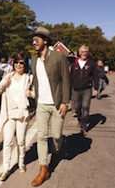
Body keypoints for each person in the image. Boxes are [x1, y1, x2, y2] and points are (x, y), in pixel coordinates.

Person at [30, 27, 70, 187]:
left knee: (57, 135)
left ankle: (55, 153)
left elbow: (66, 80)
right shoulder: (33, 59)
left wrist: (66, 102)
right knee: (41, 136)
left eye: (37, 39)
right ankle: (43, 169)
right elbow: (35, 80)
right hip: (41, 104)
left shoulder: (59, 57)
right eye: (33, 40)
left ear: (45, 41)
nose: (34, 42)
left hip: (57, 103)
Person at [0, 51, 34, 181]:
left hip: (22, 114)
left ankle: (21, 162)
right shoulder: (9, 77)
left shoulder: (29, 78)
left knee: (21, 141)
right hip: (9, 114)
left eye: (21, 62)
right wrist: (5, 82)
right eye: (15, 62)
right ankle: (6, 168)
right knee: (8, 142)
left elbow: (37, 94)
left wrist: (30, 94)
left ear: (25, 64)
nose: (18, 65)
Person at [70, 45, 99, 136]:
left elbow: (95, 76)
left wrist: (96, 88)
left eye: (86, 51)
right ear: (79, 53)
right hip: (76, 89)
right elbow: (70, 77)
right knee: (77, 107)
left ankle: (83, 126)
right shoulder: (74, 63)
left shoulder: (91, 63)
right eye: (83, 51)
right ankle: (79, 118)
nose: (84, 53)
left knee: (85, 107)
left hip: (87, 89)